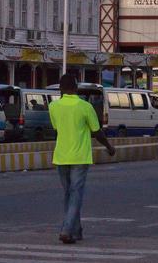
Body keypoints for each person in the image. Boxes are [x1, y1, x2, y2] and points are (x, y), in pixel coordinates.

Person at [49, 73, 115, 245]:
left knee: (68, 194)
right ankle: (66, 230)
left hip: (61, 156)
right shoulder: (85, 107)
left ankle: (76, 231)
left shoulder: (53, 107)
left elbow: (57, 128)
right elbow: (97, 131)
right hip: (79, 156)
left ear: (60, 89)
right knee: (76, 194)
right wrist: (109, 147)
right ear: (76, 88)